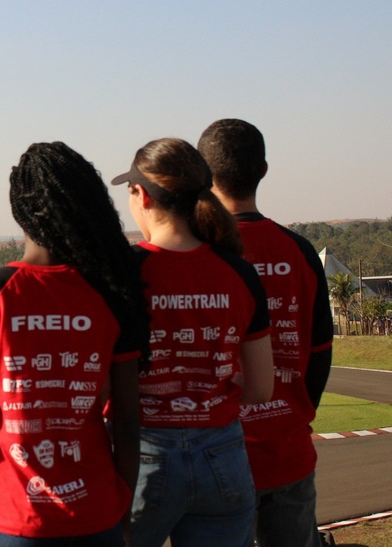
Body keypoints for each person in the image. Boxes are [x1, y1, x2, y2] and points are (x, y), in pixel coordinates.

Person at [0, 141, 150, 547]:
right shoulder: (114, 291)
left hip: (16, 519)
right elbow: (128, 422)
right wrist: (124, 512)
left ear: (19, 210)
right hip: (97, 515)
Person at [111, 137, 274, 547]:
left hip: (140, 456)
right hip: (223, 455)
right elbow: (260, 388)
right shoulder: (238, 271)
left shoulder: (122, 274)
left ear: (140, 195)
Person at [198, 119, 334, 547]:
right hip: (286, 452)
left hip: (212, 456)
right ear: (264, 170)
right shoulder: (298, 251)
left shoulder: (193, 255)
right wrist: (293, 414)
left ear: (204, 175)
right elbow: (321, 353)